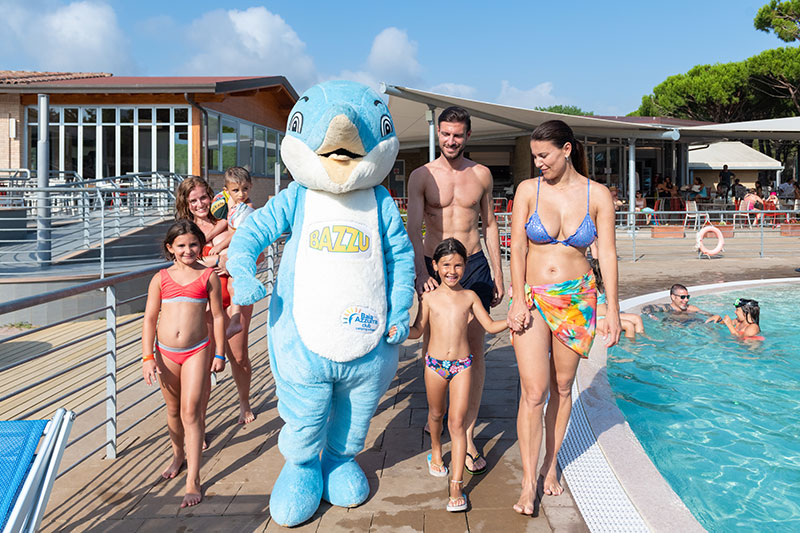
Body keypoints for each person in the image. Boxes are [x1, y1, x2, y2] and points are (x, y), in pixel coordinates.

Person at [506, 120, 620, 514]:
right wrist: (517, 298)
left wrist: (612, 309)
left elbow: (608, 254)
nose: (538, 163)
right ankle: (527, 483)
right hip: (533, 297)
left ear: (566, 150)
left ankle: (550, 466)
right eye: (535, 156)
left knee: (563, 385)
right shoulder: (528, 191)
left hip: (577, 300)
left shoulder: (597, 195)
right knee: (533, 391)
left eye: (544, 155)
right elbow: (517, 247)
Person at [407, 106, 504, 476]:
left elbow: (490, 225)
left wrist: (498, 272)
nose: (451, 140)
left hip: (473, 263)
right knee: (432, 342)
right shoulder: (421, 175)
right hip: (434, 263)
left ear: (468, 136)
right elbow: (414, 227)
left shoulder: (481, 174)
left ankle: (466, 431)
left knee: (474, 349)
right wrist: (420, 272)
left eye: (458, 134)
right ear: (438, 133)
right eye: (446, 133)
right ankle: (437, 412)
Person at [405, 238, 507, 512]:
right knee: (436, 414)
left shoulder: (470, 297)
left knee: (457, 423)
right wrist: (398, 330)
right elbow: (417, 330)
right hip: (434, 366)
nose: (452, 271)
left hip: (462, 365)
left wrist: (513, 320)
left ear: (465, 266)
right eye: (446, 265)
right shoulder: (428, 298)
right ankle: (436, 451)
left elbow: (490, 326)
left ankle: (456, 486)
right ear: (435, 266)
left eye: (458, 265)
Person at [141, 220, 226, 507]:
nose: (188, 250)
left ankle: (193, 479)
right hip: (165, 353)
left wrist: (219, 353)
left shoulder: (208, 276)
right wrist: (147, 357)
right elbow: (149, 319)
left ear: (200, 245)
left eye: (193, 244)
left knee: (191, 411)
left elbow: (217, 316)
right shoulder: (160, 278)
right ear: (170, 248)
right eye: (181, 245)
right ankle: (178, 455)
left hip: (197, 350)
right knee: (173, 410)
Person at [174, 174, 255, 425]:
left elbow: (257, 254)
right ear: (186, 204)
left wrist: (231, 263)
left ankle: (244, 403)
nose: (200, 204)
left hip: (234, 296)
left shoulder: (229, 219)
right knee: (205, 364)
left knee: (238, 357)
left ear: (212, 196)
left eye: (203, 198)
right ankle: (200, 423)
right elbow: (183, 264)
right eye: (193, 201)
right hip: (205, 303)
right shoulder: (185, 230)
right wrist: (217, 260)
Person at [207, 167, 256, 339]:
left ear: (250, 186)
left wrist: (219, 247)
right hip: (234, 245)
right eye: (236, 190)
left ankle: (235, 320)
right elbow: (225, 221)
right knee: (229, 284)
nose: (241, 194)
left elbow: (236, 233)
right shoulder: (230, 202)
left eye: (245, 189)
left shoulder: (247, 207)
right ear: (226, 191)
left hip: (240, 246)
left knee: (233, 284)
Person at [590, 258, 644, 339]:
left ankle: (642, 341)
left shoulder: (602, 285)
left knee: (637, 318)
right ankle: (631, 345)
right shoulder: (592, 288)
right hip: (596, 320)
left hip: (606, 316)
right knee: (629, 325)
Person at [640, 283, 714, 320]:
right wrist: (650, 315)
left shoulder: (691, 308)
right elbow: (645, 308)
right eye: (682, 297)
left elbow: (707, 314)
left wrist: (715, 317)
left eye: (687, 297)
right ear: (673, 297)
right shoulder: (667, 308)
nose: (686, 300)